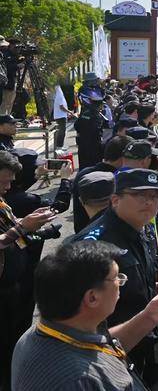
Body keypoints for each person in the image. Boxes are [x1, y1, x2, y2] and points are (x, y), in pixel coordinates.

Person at [11, 241, 158, 391]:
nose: (121, 282)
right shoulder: (79, 382)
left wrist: (150, 316)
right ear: (92, 298)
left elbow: (99, 348)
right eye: (116, 278)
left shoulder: (43, 333)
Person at [70, 168, 158, 377]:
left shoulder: (141, 227)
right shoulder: (92, 246)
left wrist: (149, 288)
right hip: (109, 347)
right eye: (140, 195)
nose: (149, 202)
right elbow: (78, 317)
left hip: (142, 334)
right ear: (115, 200)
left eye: (156, 196)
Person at [0, 150, 61, 390]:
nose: (8, 187)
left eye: (10, 182)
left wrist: (32, 224)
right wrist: (23, 226)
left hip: (12, 286)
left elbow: (13, 230)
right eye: (3, 181)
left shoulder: (2, 202)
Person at [70, 136, 131, 233]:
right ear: (123, 158)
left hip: (82, 232)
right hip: (105, 234)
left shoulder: (83, 174)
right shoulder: (116, 180)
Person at [52, 84, 75, 149]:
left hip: (60, 116)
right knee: (61, 132)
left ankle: (59, 146)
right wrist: (69, 111)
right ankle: (59, 146)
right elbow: (61, 107)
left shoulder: (59, 94)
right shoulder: (59, 95)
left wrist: (67, 113)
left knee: (61, 131)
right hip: (60, 117)